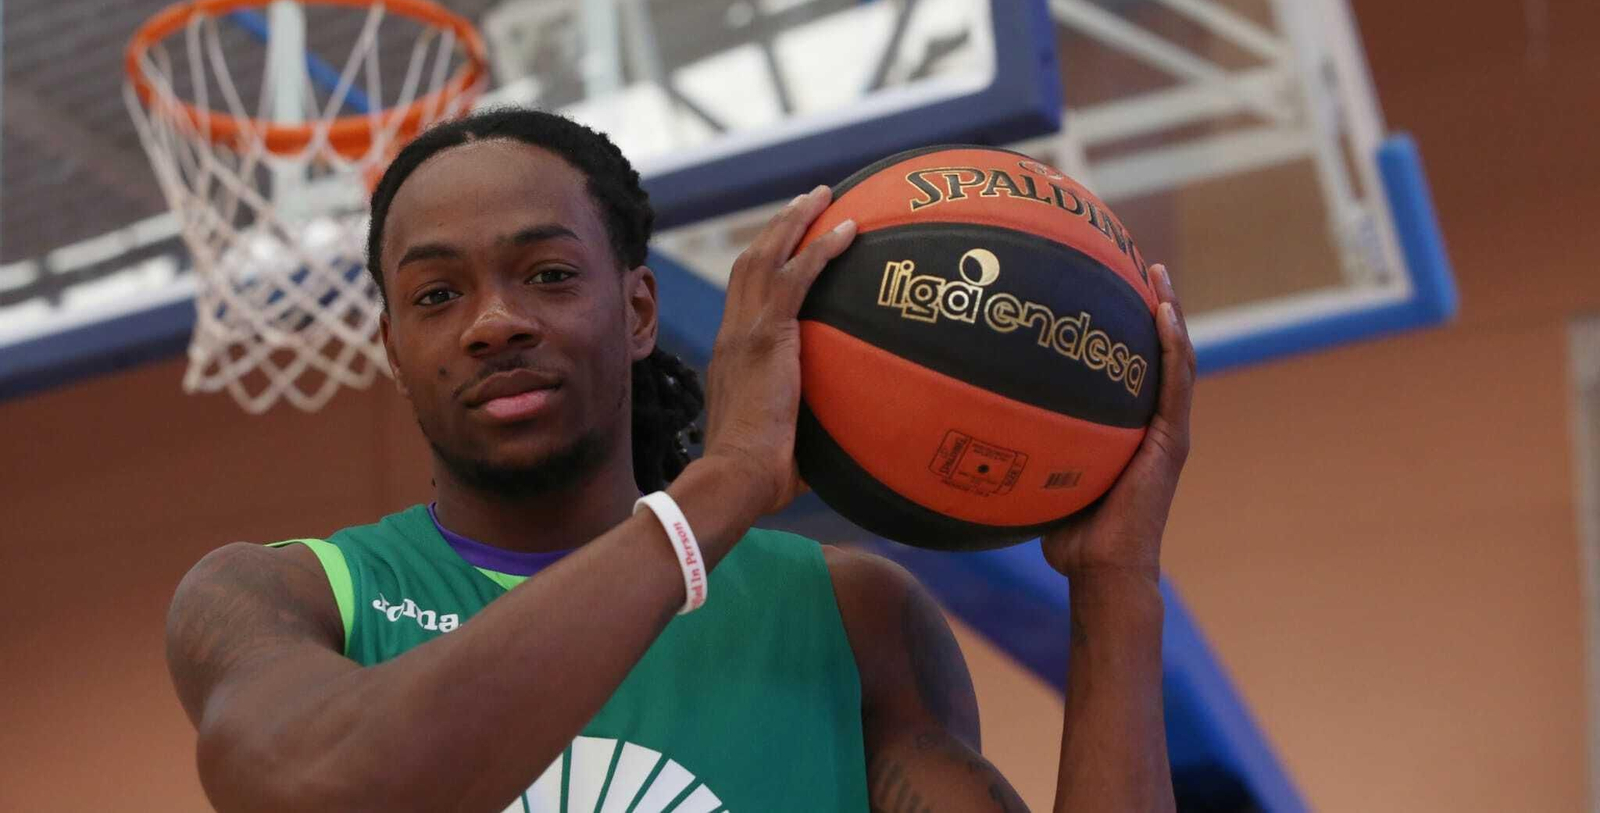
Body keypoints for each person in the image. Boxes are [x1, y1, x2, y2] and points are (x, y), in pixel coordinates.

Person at [165, 108, 1197, 813]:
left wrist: (1115, 583)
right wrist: (722, 486)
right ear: (393, 348)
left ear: (639, 308)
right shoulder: (281, 593)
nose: (494, 322)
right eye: (437, 295)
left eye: (550, 272)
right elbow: (323, 786)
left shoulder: (846, 616)